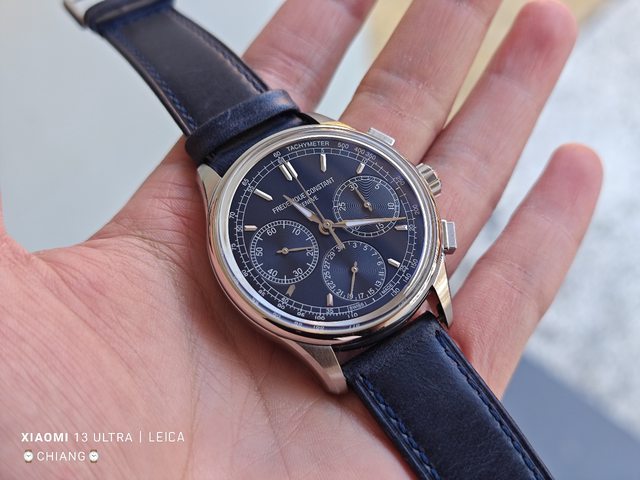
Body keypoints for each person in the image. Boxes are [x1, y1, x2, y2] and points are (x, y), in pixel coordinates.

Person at [0, 0, 602, 477]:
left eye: (342, 220)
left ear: (420, 193)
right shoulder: (234, 216)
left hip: (403, 297)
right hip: (334, 325)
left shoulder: (396, 235)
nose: (330, 227)